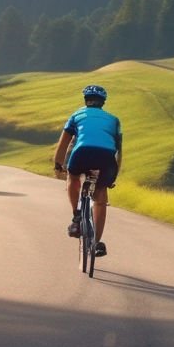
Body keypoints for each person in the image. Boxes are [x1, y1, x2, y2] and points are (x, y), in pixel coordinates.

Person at [53, 84, 121, 258]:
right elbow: (119, 150)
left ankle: (76, 217)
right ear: (103, 103)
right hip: (106, 157)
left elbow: (63, 143)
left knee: (73, 177)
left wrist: (58, 165)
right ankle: (97, 242)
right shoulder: (114, 120)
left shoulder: (76, 115)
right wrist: (113, 175)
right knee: (100, 196)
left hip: (82, 152)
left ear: (85, 101)